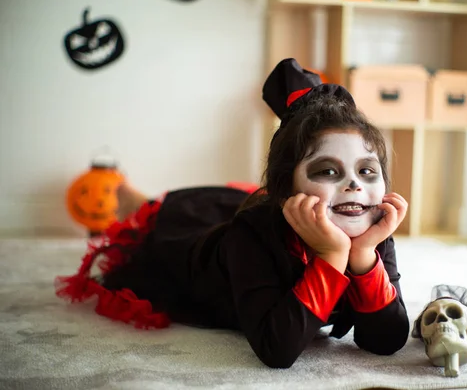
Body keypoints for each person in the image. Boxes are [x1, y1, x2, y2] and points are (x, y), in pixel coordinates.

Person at [55, 58, 410, 368]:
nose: (354, 186)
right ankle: (139, 199)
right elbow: (277, 351)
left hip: (250, 213)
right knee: (168, 219)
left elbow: (387, 341)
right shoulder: (248, 237)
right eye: (328, 171)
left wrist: (362, 255)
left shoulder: (370, 231)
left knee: (232, 199)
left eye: (367, 171)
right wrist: (333, 255)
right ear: (286, 188)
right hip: (198, 254)